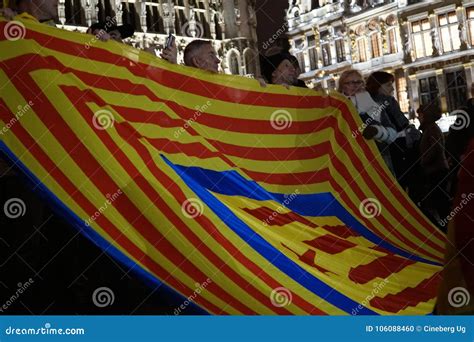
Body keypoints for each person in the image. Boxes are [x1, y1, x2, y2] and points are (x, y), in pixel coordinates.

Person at [366, 71, 421, 191]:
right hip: (391, 154)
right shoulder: (373, 105)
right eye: (388, 85)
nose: (392, 88)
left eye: (392, 84)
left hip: (400, 152)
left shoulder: (391, 102)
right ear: (377, 86)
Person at [338, 70, 398, 174]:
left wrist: (378, 131)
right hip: (350, 163)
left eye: (359, 82)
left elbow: (392, 133)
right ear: (342, 86)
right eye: (350, 83)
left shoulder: (376, 104)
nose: (355, 86)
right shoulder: (337, 108)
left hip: (379, 159)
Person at [417, 103, 451, 229]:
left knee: (440, 201)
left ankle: (445, 227)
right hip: (437, 169)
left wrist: (423, 161)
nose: (418, 117)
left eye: (420, 114)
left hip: (436, 170)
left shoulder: (430, 129)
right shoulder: (431, 128)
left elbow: (434, 148)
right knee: (439, 200)